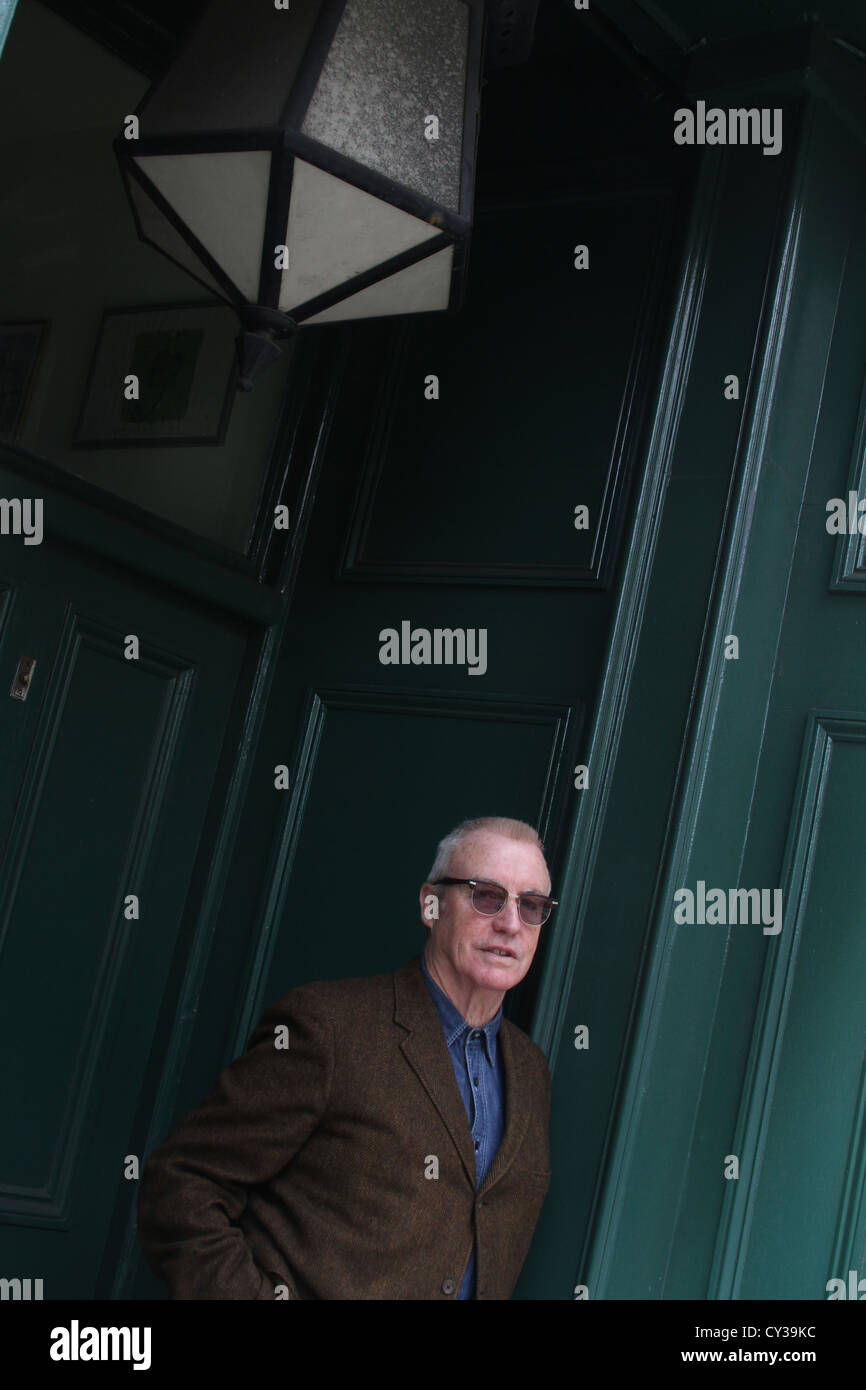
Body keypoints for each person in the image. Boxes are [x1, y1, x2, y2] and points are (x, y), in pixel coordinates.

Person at [137, 815, 556, 1299]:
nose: (509, 923)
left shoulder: (530, 1071)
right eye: (486, 895)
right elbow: (183, 1184)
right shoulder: (328, 1027)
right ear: (431, 905)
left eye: (532, 906)